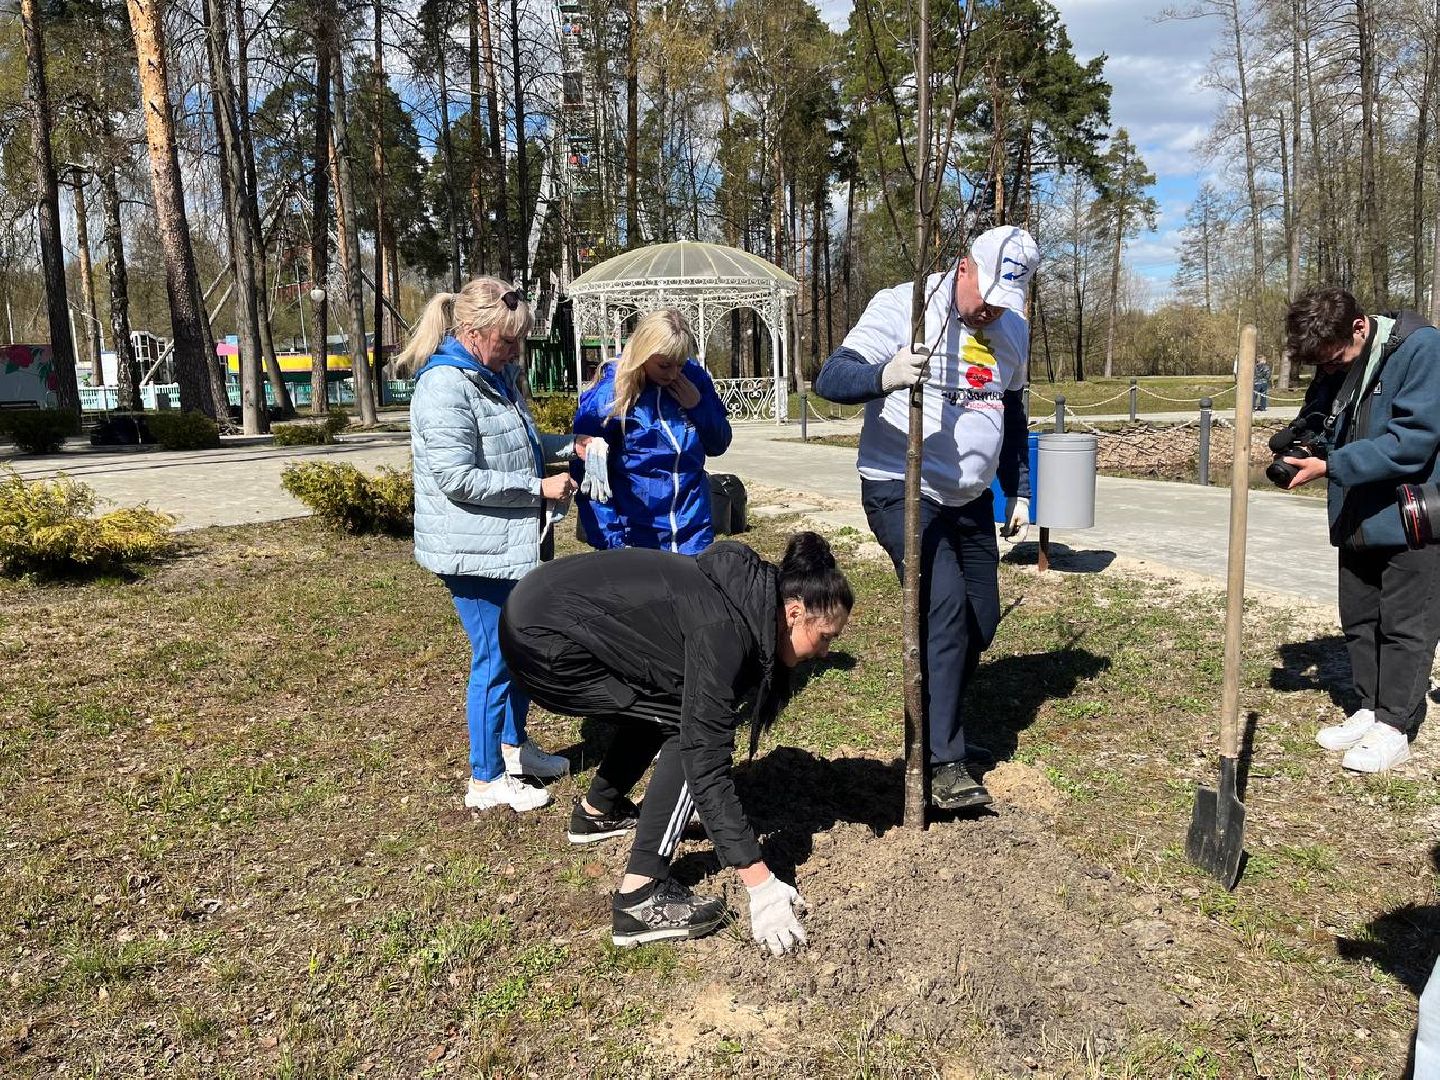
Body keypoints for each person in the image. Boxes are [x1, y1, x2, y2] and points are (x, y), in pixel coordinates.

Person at [498, 531, 852, 953]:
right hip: (546, 642)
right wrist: (761, 885)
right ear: (793, 613)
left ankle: (598, 812)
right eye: (826, 636)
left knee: (669, 703)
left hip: (536, 608)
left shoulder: (745, 595)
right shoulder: (725, 631)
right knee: (685, 729)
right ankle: (640, 896)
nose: (825, 652)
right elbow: (705, 763)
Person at [812, 225, 1038, 812]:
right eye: (985, 296)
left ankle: (941, 723)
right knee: (944, 606)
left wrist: (1018, 488)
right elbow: (831, 377)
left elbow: (1012, 411)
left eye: (1003, 303)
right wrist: (883, 375)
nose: (990, 311)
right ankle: (940, 761)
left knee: (979, 619)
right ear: (964, 266)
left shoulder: (1012, 328)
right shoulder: (904, 306)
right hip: (901, 485)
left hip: (970, 500)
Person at [402, 277, 590, 813]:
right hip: (472, 552)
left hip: (508, 544)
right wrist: (538, 488)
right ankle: (485, 780)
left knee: (521, 647)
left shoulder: (495, 377)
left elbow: (520, 446)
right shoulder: (445, 386)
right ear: (471, 331)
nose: (515, 350)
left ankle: (514, 748)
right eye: (507, 340)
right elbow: (456, 478)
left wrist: (569, 445)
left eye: (519, 339)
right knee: (495, 659)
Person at [1281, 286, 1440, 773]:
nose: (1330, 368)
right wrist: (1300, 443)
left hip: (1412, 515)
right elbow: (1322, 417)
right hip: (1357, 513)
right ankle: (1370, 707)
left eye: (1334, 359)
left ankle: (1395, 725)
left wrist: (1331, 466)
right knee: (1360, 618)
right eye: (1322, 365)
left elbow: (1413, 441)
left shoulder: (1423, 349)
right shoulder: (1337, 360)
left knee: (1407, 625)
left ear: (1359, 326)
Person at [572, 308, 732, 554]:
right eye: (664, 365)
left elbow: (718, 444)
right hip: (636, 538)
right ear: (643, 354)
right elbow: (590, 479)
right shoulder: (608, 397)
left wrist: (699, 407)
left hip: (693, 533)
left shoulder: (693, 379)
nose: (673, 374)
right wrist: (614, 544)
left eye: (680, 364)